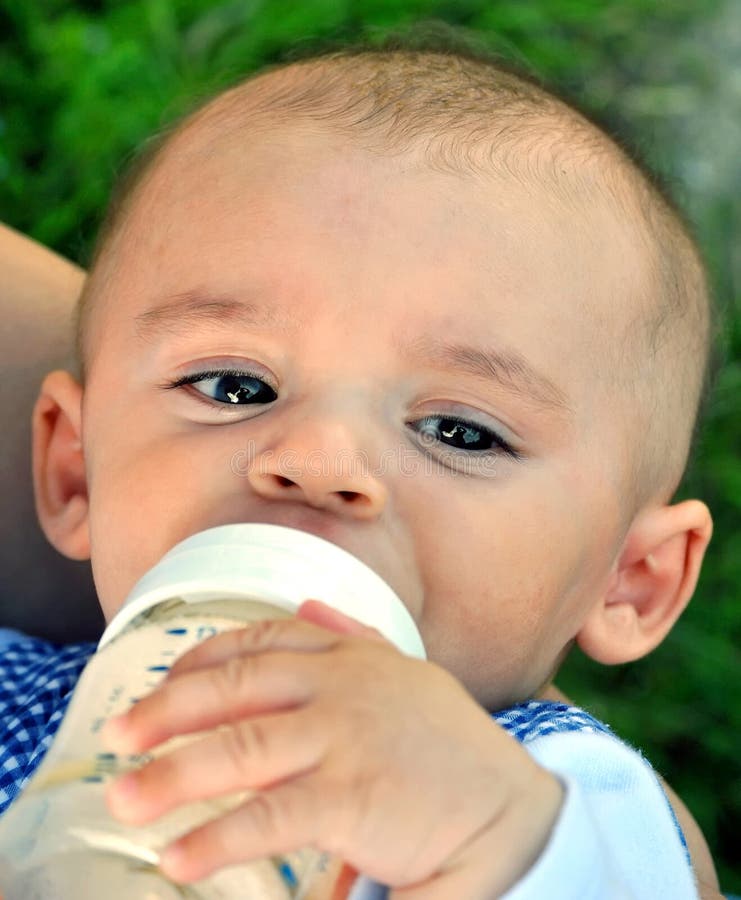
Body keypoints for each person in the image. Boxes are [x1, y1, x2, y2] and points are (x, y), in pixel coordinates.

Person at [0, 34, 725, 899]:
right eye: (233, 385)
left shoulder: (553, 795)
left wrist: (500, 835)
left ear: (628, 581)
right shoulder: (21, 695)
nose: (316, 461)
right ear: (76, 472)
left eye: (460, 432)